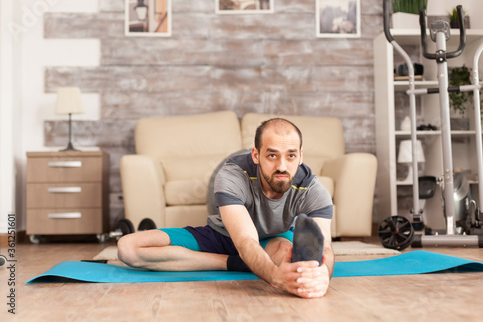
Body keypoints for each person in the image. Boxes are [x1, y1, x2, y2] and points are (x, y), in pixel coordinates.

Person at [118, 118, 335, 298]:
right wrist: (276, 277)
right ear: (256, 155)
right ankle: (230, 263)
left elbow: (324, 247)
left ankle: (247, 262)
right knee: (128, 248)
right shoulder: (232, 174)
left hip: (273, 240)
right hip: (222, 236)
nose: (281, 166)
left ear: (300, 156)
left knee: (286, 255)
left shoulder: (313, 189)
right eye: (272, 155)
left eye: (290, 155)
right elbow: (245, 241)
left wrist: (323, 274)